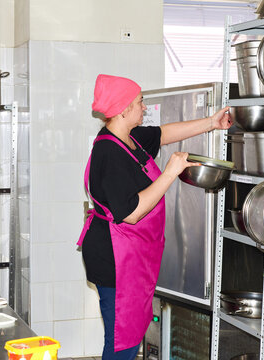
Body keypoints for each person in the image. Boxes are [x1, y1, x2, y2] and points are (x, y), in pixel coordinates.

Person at [78, 74, 232, 359]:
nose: (144, 107)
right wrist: (171, 172)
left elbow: (164, 133)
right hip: (114, 257)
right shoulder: (109, 151)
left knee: (130, 335)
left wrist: (211, 122)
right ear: (123, 109)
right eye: (139, 102)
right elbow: (132, 213)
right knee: (121, 341)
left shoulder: (128, 138)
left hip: (132, 256)